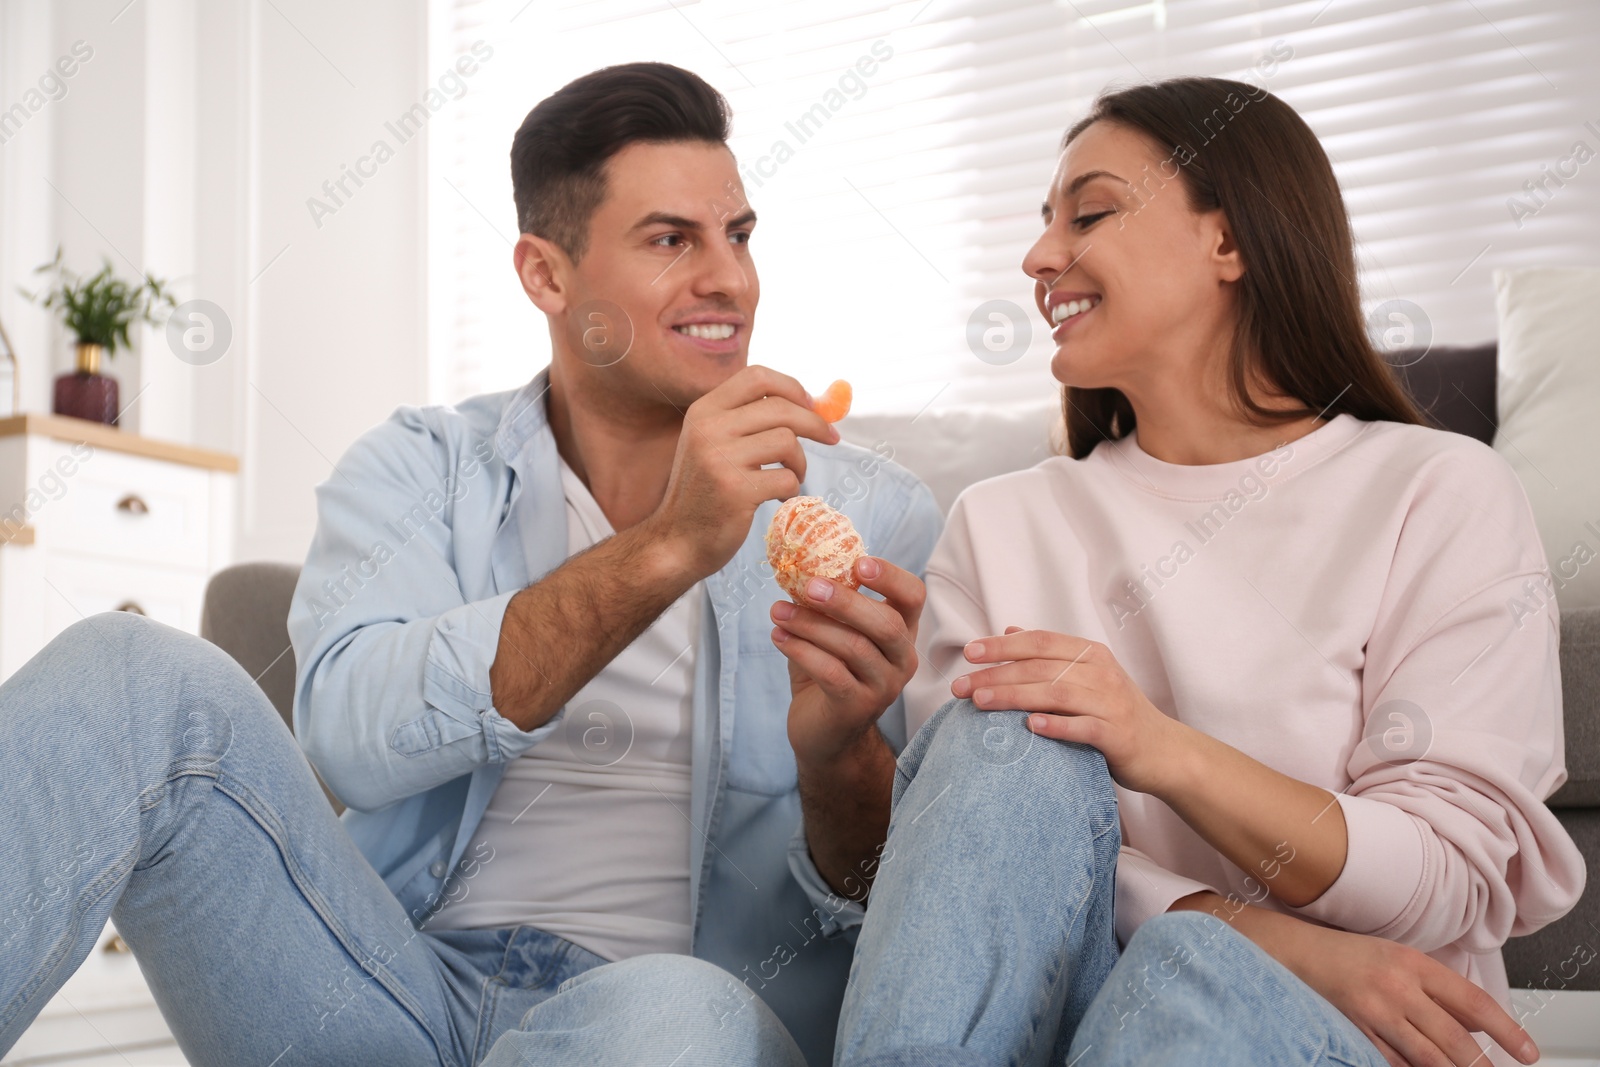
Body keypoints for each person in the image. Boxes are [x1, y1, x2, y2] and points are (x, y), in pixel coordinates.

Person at [0, 63, 938, 1066]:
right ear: (545, 274)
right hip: (388, 989)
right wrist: (667, 545)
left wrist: (839, 754)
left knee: (679, 1010)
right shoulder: (418, 467)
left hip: (654, 1025)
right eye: (673, 238)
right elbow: (350, 739)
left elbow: (892, 898)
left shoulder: (869, 512)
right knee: (128, 669)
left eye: (738, 235)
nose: (729, 279)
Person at [790, 77, 1585, 1066]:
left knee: (1185, 979)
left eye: (1088, 213)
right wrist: (1264, 933)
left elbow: (1441, 884)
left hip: (1343, 1036)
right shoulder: (999, 524)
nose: (1038, 257)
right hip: (1065, 1021)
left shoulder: (1438, 492)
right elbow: (977, 875)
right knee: (1006, 745)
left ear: (1229, 240)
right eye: (1043, 223)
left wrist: (1155, 746)